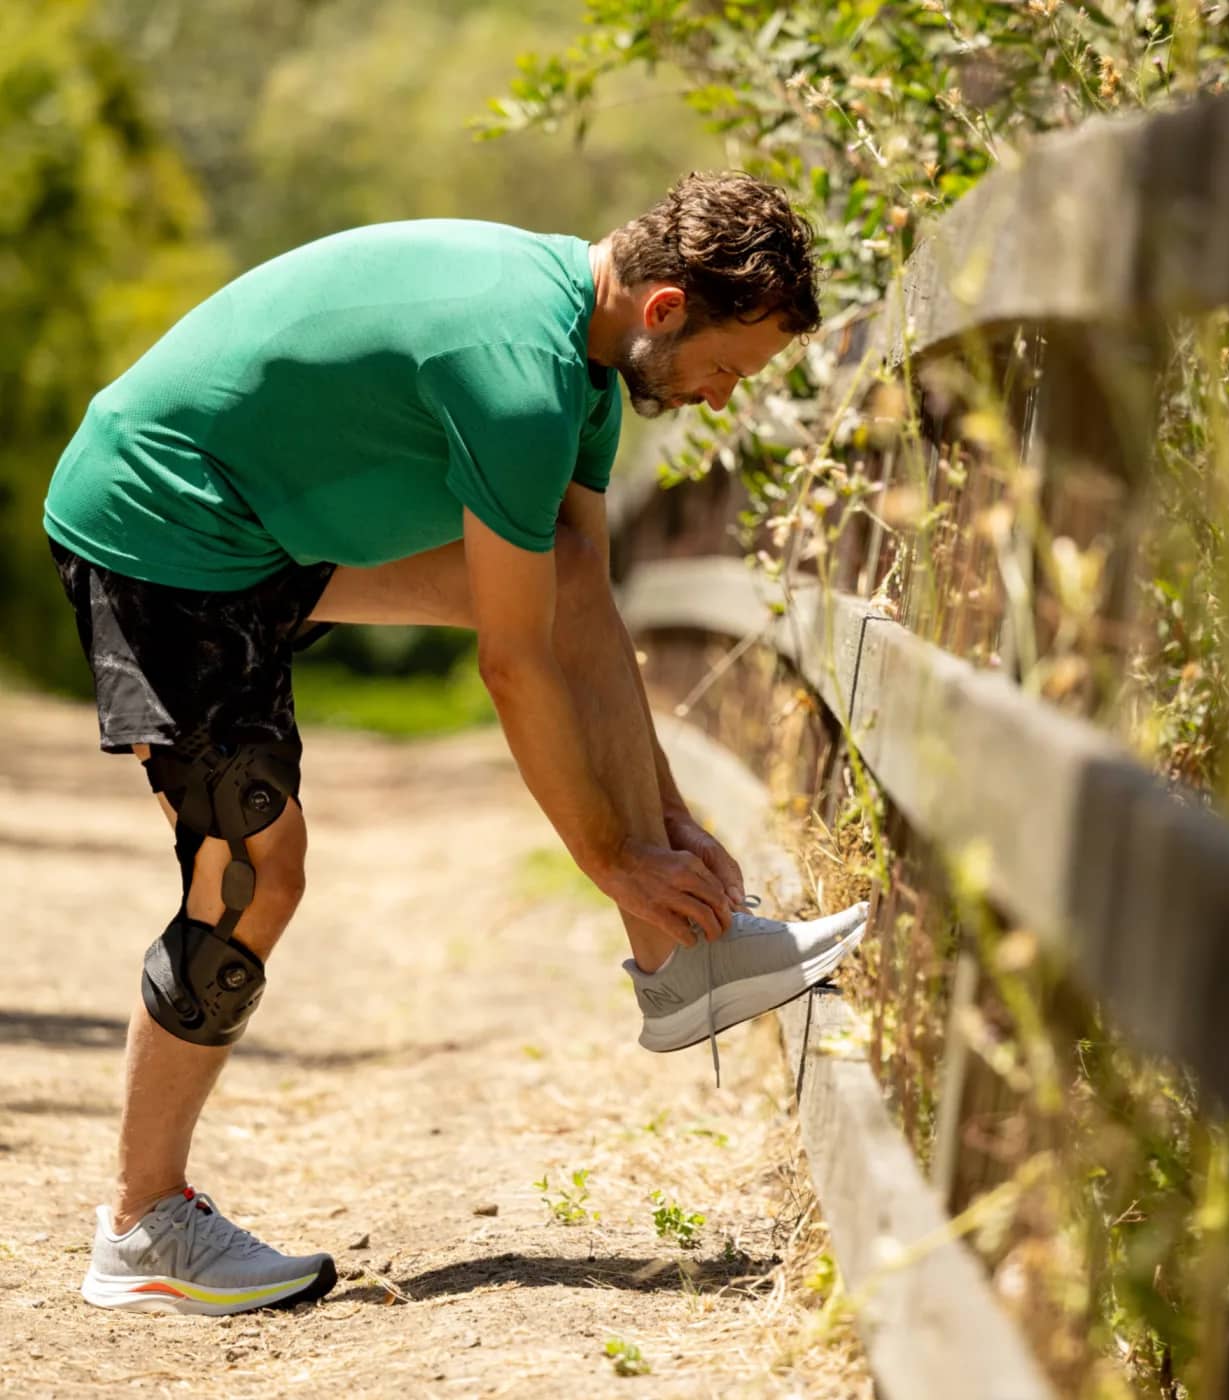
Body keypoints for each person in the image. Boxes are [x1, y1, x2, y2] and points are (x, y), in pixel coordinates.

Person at [44, 171, 869, 1317]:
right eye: (727, 367)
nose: (723, 397)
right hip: (162, 527)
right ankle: (140, 1224)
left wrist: (670, 827)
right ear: (666, 307)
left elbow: (581, 611)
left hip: (257, 524)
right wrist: (609, 858)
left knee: (576, 572)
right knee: (249, 877)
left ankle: (689, 958)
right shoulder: (521, 377)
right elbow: (514, 662)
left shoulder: (582, 364)